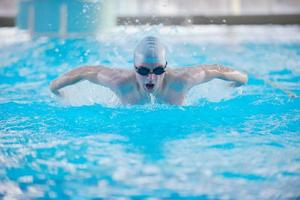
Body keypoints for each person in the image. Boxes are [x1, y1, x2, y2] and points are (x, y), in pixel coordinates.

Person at [50, 36, 248, 105]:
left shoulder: (182, 81)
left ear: (166, 67)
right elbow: (85, 71)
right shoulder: (120, 83)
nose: (151, 77)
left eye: (158, 70)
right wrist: (55, 87)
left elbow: (214, 69)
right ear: (134, 68)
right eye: (144, 71)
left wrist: (240, 79)